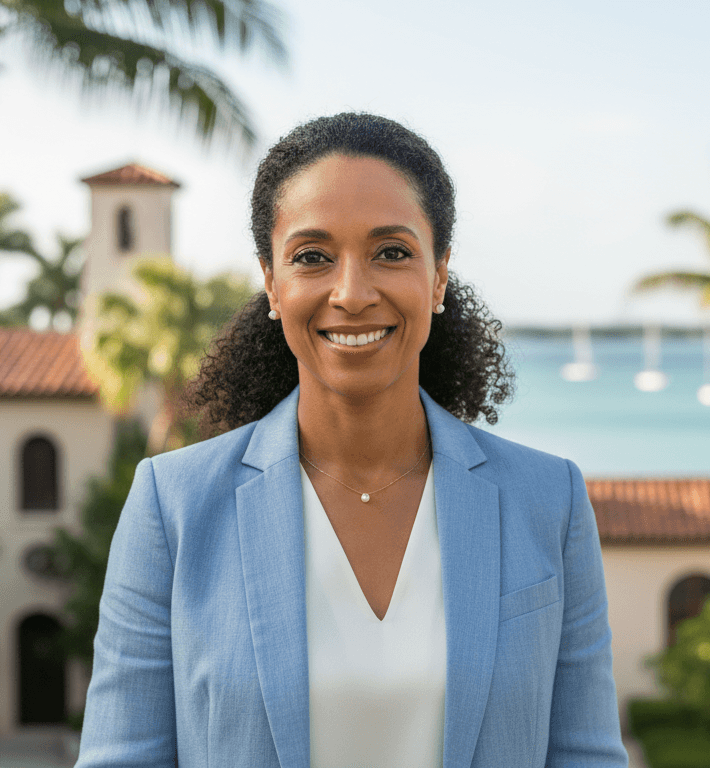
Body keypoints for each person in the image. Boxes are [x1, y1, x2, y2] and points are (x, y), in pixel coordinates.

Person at [76, 113, 627, 768]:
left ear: (440, 275)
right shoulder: (172, 507)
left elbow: (586, 756)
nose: (352, 292)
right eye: (312, 257)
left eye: (391, 252)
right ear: (272, 285)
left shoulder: (548, 501)